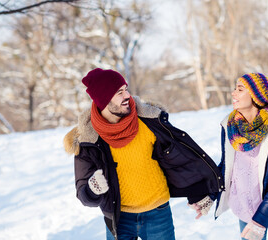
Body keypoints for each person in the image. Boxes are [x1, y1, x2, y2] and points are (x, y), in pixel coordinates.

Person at [63, 68, 223, 240]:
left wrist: (199, 192)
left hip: (158, 214)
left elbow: (178, 162)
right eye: (119, 93)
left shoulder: (149, 121)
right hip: (118, 218)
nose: (127, 96)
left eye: (126, 89)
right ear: (103, 100)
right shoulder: (89, 140)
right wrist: (93, 189)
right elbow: (83, 193)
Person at [212, 73, 268, 240]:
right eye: (235, 88)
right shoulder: (230, 127)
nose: (233, 93)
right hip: (246, 207)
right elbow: (227, 167)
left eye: (240, 89)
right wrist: (207, 195)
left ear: (257, 97)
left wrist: (260, 222)